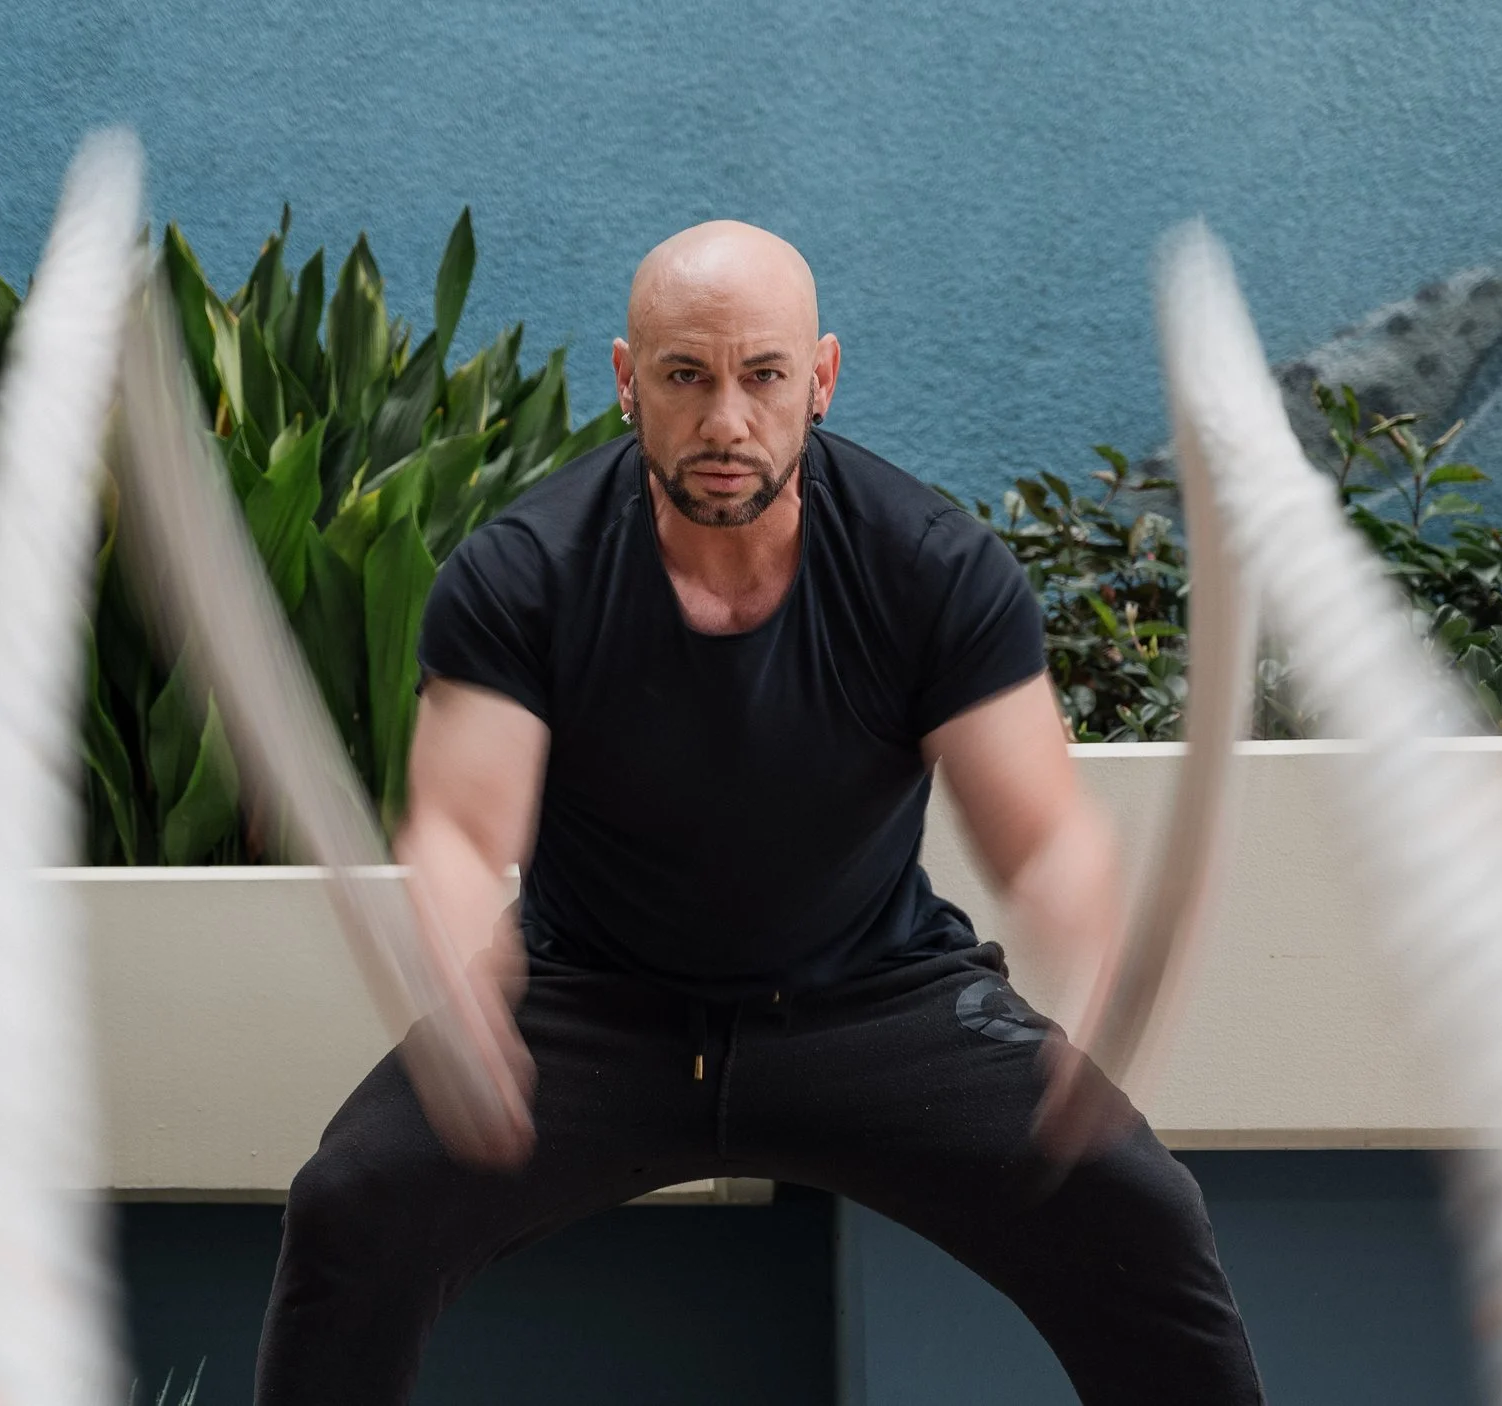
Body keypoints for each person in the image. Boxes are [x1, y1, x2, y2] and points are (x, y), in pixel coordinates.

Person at [254, 220, 1263, 1404]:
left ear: (819, 378)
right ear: (628, 380)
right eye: (685, 375)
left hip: (870, 999)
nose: (725, 420)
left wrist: (1089, 961)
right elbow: (463, 832)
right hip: (593, 1006)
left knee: (1135, 1208)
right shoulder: (526, 570)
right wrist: (461, 981)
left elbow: (1040, 837)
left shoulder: (929, 565)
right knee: (355, 1203)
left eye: (764, 375)